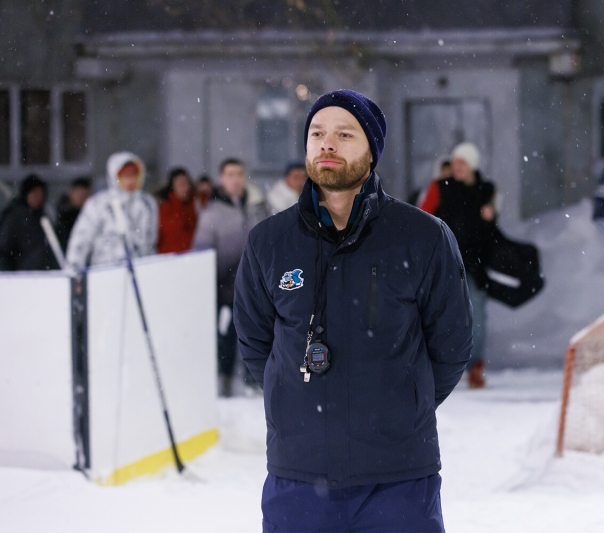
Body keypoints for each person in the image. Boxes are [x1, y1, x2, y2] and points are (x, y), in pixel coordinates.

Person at [234, 90, 471, 533]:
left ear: (371, 151)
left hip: (399, 480)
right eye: (317, 133)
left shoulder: (423, 237)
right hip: (298, 478)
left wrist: (401, 402)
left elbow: (452, 346)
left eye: (345, 134)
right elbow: (255, 343)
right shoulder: (269, 241)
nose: (327, 144)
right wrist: (296, 402)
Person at [419, 142, 495, 389]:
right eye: (455, 162)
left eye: (462, 163)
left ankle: (475, 366)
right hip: (446, 262)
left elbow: (491, 227)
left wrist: (491, 213)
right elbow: (422, 217)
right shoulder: (441, 187)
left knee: (477, 315)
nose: (457, 167)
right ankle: (441, 365)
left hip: (476, 264)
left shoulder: (485, 190)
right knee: (441, 314)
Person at [192, 158, 267, 397]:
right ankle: (224, 384)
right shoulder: (212, 213)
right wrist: (209, 286)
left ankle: (252, 382)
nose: (235, 179)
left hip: (255, 287)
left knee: (256, 335)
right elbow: (201, 252)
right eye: (230, 174)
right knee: (227, 338)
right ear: (222, 179)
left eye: (239, 174)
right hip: (226, 288)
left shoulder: (257, 207)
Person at [66, 152, 158, 270]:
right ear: (115, 176)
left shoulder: (147, 204)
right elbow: (80, 241)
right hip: (107, 273)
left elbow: (151, 243)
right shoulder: (99, 204)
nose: (130, 180)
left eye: (133, 175)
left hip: (140, 272)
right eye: (124, 176)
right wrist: (73, 272)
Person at [0, 174, 59, 271]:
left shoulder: (48, 216)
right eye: (34, 193)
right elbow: (3, 251)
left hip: (46, 275)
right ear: (26, 195)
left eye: (40, 193)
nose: (38, 197)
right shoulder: (15, 218)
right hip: (22, 277)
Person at [157, 167, 197, 254]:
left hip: (193, 257)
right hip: (169, 258)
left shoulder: (196, 204)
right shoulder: (163, 209)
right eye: (180, 184)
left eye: (186, 183)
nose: (184, 187)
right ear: (173, 186)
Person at [55, 176, 92, 251]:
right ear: (71, 193)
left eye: (84, 195)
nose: (81, 198)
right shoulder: (62, 216)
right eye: (79, 194)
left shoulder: (91, 216)